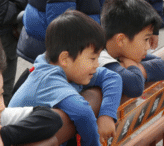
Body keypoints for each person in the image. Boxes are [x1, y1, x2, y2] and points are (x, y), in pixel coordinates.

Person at [11, 10, 122, 145]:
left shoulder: (69, 70)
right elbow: (82, 113)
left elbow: (112, 78)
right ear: (65, 58)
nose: (97, 64)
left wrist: (107, 115)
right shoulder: (48, 80)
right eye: (92, 58)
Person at [100, 0, 164, 98]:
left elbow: (162, 67)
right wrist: (132, 64)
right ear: (121, 40)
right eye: (146, 39)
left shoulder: (122, 52)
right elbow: (135, 86)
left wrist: (133, 68)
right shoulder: (100, 59)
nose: (148, 47)